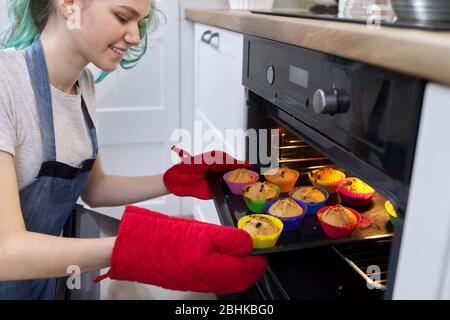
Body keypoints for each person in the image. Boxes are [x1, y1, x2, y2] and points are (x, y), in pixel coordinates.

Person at [0, 0, 267, 300]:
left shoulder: (83, 85)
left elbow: (95, 189)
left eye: (139, 22)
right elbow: (6, 252)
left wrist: (171, 181)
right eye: (122, 17)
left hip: (44, 280)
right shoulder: (6, 84)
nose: (136, 37)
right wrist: (142, 248)